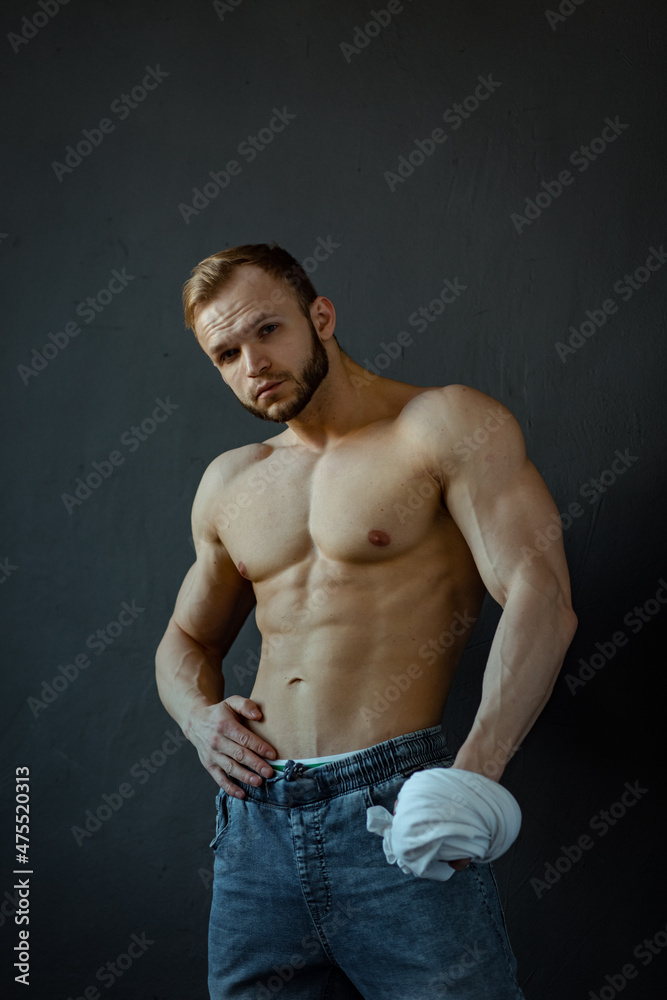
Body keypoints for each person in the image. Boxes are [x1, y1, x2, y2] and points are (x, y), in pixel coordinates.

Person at [155, 242, 577, 999]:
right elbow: (186, 639)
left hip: (395, 817)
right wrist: (196, 719)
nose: (252, 362)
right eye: (225, 353)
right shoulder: (232, 481)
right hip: (254, 825)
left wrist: (471, 780)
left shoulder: (441, 425)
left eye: (267, 330)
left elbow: (539, 596)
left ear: (320, 316)